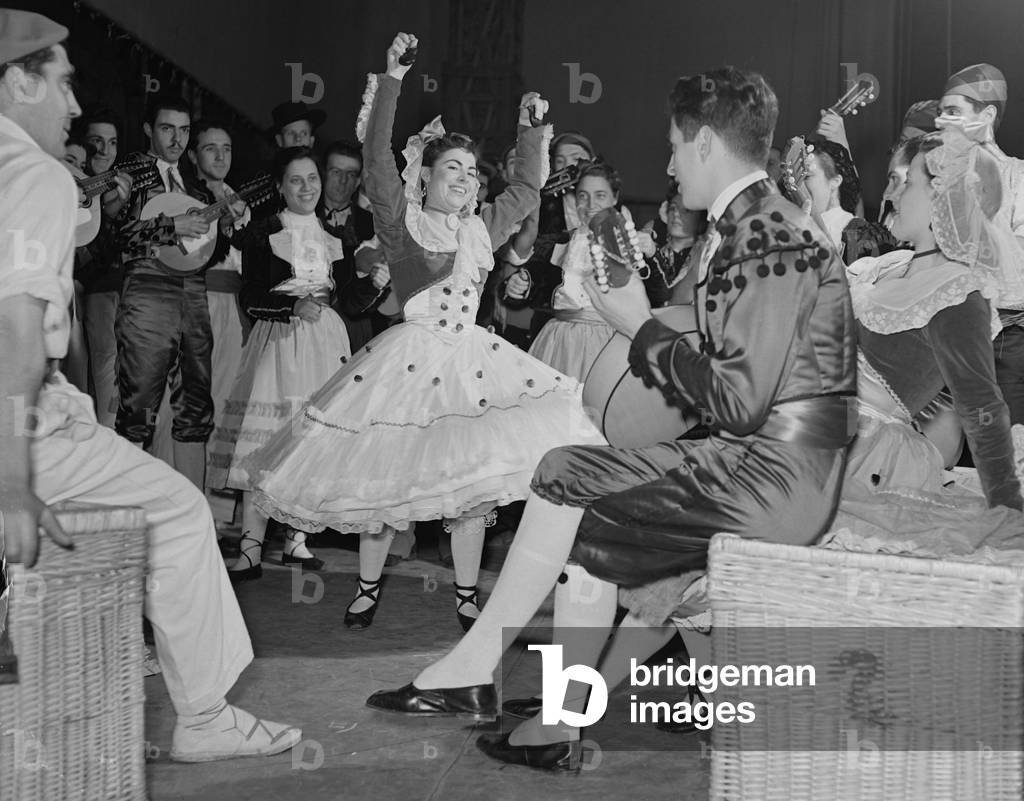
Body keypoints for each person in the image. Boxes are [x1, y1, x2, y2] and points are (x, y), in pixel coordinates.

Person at [365, 66, 857, 771]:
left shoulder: (766, 235)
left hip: (778, 477)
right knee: (568, 478)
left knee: (571, 487)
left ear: (708, 144)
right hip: (761, 463)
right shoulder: (759, 224)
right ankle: (529, 702)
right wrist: (640, 308)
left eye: (676, 147)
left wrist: (640, 328)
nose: (667, 164)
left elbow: (741, 401)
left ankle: (534, 705)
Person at [0, 8, 299, 761]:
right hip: (27, 425)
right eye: (62, 85)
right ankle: (202, 715)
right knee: (177, 511)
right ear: (17, 80)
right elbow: (15, 329)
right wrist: (11, 480)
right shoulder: (29, 173)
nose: (74, 106)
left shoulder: (28, 172)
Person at [243, 32, 604, 631]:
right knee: (390, 487)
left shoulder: (480, 228)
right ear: (427, 179)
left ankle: (466, 593)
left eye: (469, 171)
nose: (463, 177)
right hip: (406, 365)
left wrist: (532, 130)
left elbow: (524, 190)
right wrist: (392, 79)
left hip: (471, 363)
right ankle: (366, 587)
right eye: (451, 169)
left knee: (468, 490)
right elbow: (377, 155)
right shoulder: (402, 223)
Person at [208, 146, 383, 580]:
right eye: (296, 180)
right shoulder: (263, 233)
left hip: (325, 341)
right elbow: (251, 297)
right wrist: (290, 308)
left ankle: (296, 540)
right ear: (282, 187)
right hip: (282, 341)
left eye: (312, 179)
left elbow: (350, 302)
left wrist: (373, 283)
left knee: (307, 441)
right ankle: (250, 548)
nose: (307, 188)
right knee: (266, 439)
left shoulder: (336, 239)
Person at [837, 129, 1024, 533]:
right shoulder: (890, 267)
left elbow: (982, 409)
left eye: (908, 184)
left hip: (863, 453)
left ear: (943, 196)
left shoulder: (956, 292)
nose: (892, 197)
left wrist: (1007, 510)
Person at [113, 95, 220, 490]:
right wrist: (170, 226)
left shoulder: (197, 187)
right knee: (138, 404)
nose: (177, 139)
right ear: (148, 129)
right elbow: (113, 235)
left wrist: (229, 221)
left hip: (193, 290)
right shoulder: (129, 174)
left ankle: (196, 522)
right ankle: (127, 515)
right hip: (146, 286)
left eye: (184, 130)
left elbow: (209, 249)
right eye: (167, 129)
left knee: (195, 402)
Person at [937, 64, 1024, 426]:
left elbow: (1016, 267)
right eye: (941, 113)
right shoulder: (936, 176)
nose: (942, 121)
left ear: (986, 115)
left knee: (1006, 453)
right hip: (947, 338)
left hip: (1004, 336)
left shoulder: (1017, 176)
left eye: (954, 112)